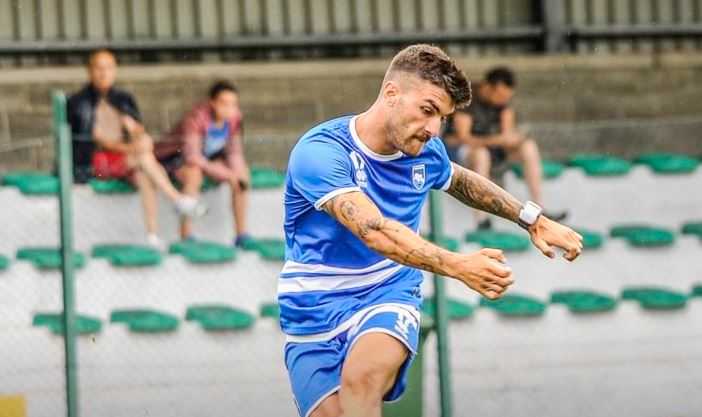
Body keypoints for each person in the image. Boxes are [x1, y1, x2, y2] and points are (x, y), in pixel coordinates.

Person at [280, 44, 583, 417]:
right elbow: (374, 231)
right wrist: (458, 265)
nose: (433, 129)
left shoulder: (426, 151)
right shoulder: (321, 152)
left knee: (364, 378)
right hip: (311, 304)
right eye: (427, 110)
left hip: (386, 290)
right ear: (391, 93)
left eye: (442, 117)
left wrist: (532, 219)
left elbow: (461, 180)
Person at [67, 49, 206, 248]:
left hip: (126, 160)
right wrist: (132, 148)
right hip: (94, 164)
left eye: (108, 68)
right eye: (99, 68)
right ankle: (177, 199)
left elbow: (140, 133)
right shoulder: (78, 102)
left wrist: (135, 130)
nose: (103, 73)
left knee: (145, 174)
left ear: (115, 70)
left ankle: (152, 235)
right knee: (144, 157)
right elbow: (98, 141)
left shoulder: (123, 99)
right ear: (89, 71)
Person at [443, 67, 566, 230]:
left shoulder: (503, 103)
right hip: (460, 152)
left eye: (506, 97)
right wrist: (499, 140)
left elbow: (506, 133)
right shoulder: (468, 98)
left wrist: (514, 139)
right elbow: (463, 138)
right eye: (501, 96)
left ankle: (539, 209)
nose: (503, 101)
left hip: (492, 149)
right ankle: (481, 219)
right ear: (488, 87)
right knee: (481, 154)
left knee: (528, 147)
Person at [155, 81, 251, 246]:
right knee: (194, 174)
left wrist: (236, 173)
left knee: (243, 175)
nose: (229, 108)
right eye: (224, 103)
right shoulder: (195, 118)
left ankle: (241, 234)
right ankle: (186, 234)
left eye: (233, 104)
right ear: (212, 102)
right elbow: (192, 156)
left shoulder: (235, 119)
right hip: (175, 159)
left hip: (208, 159)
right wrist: (226, 174)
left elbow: (235, 152)